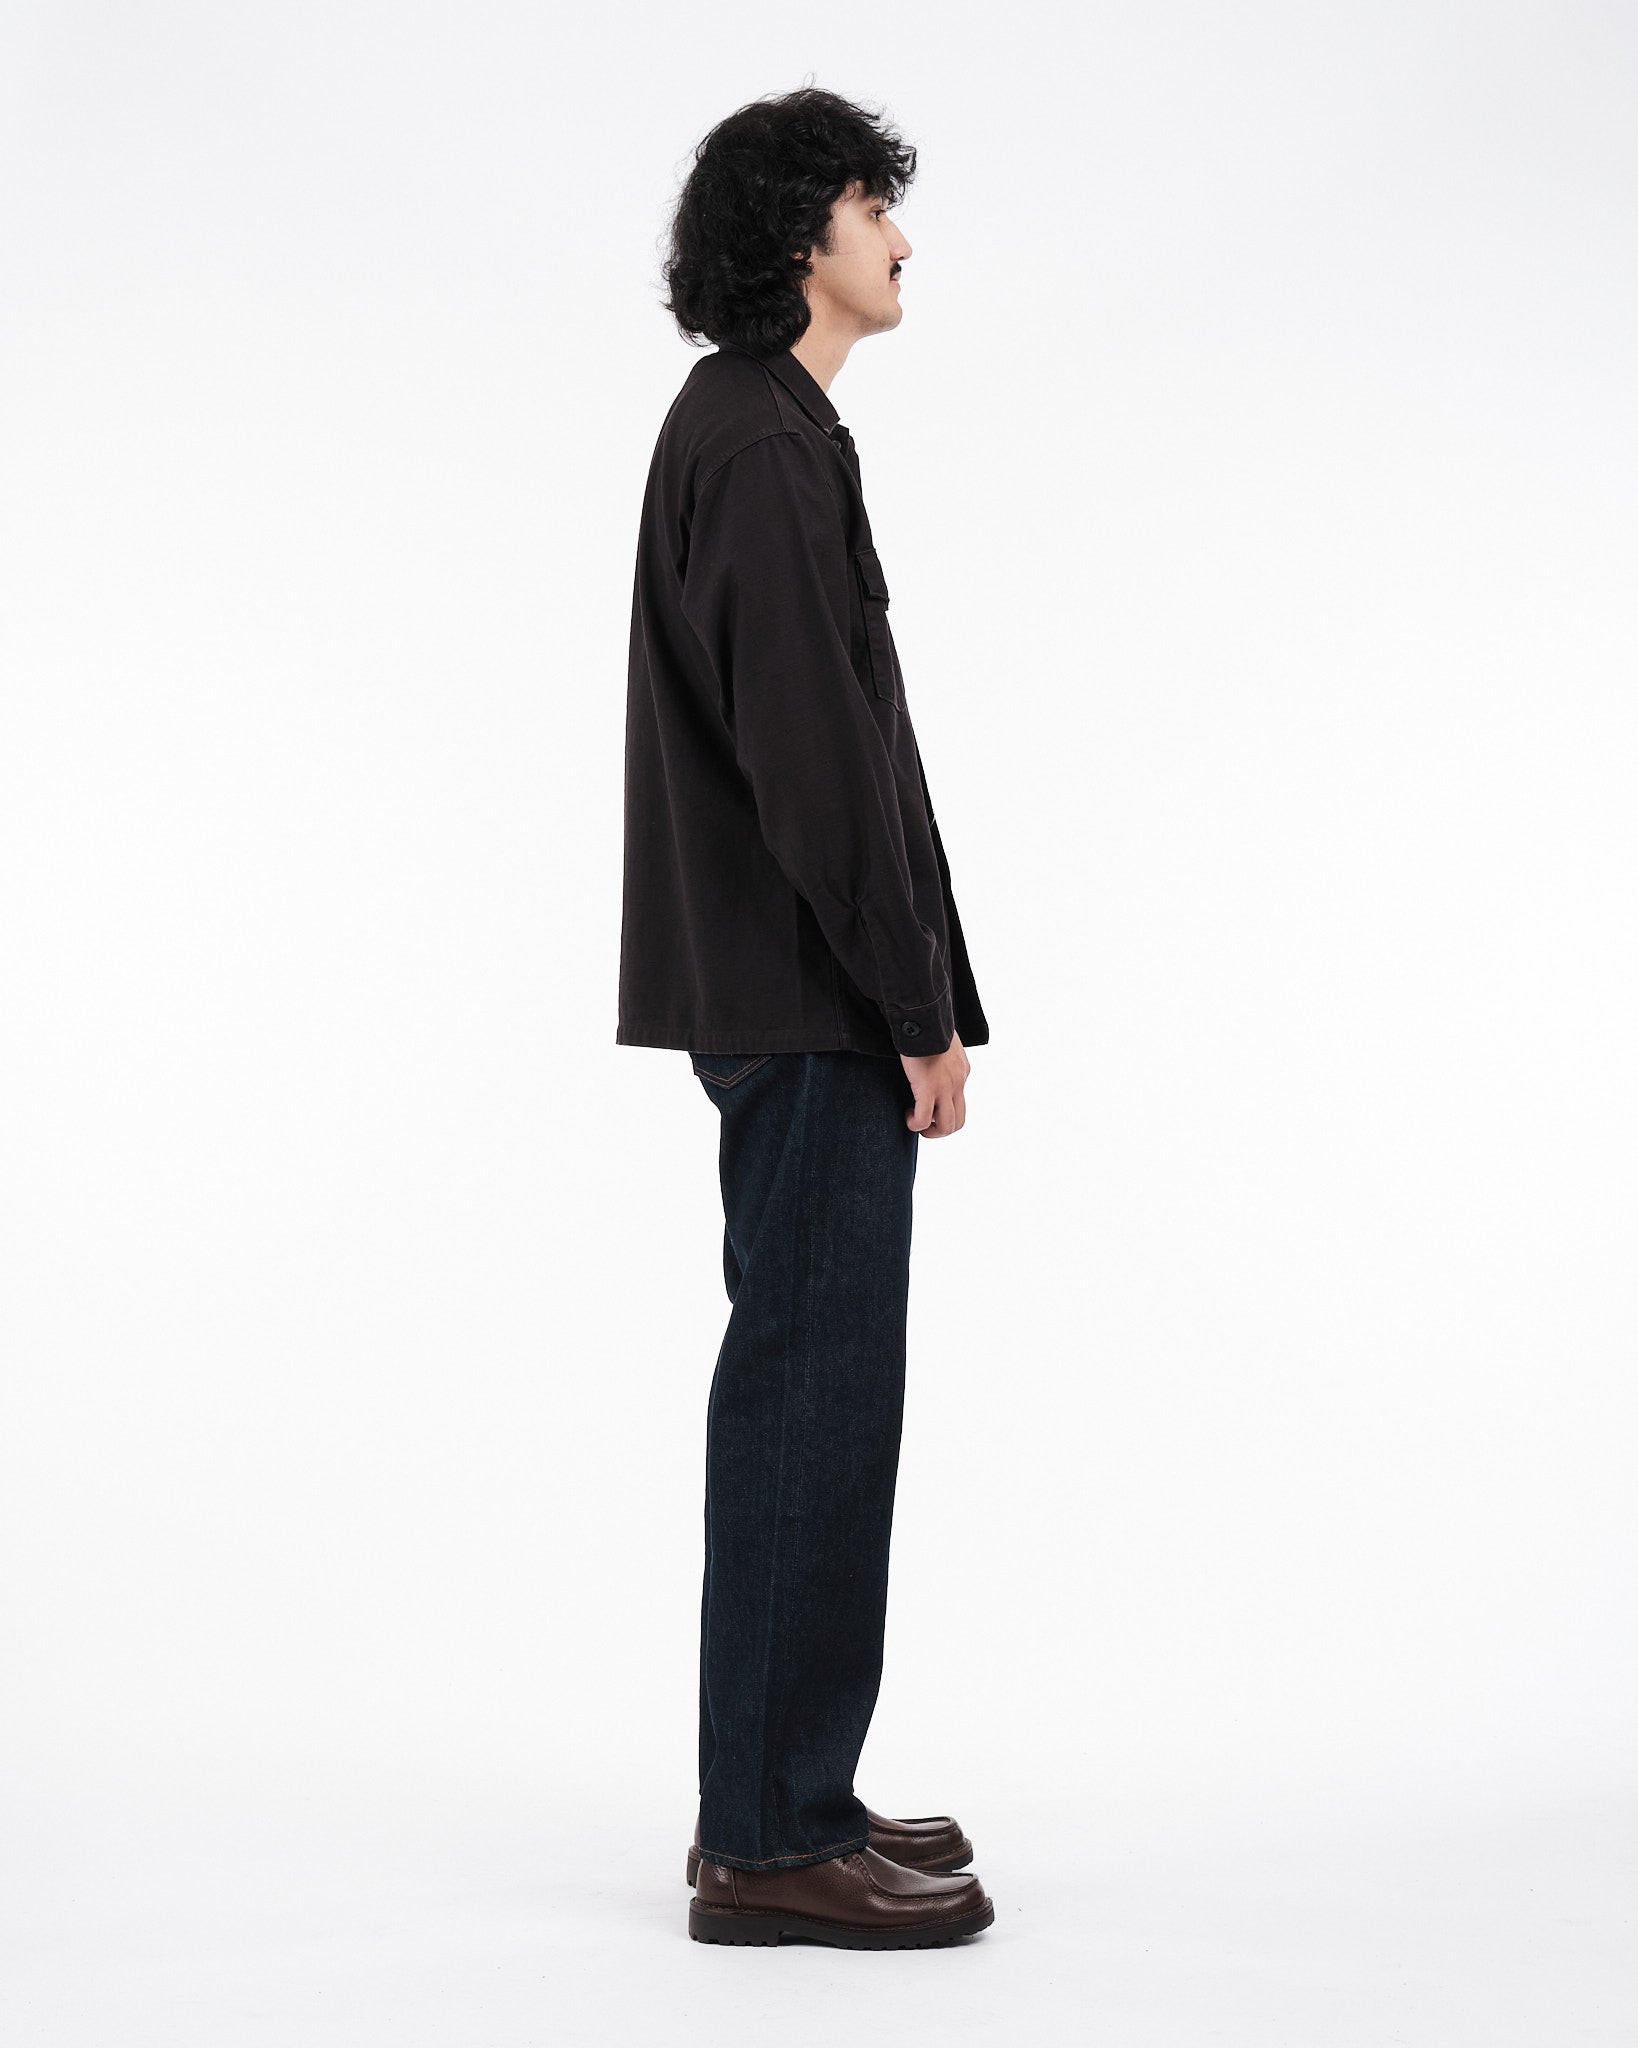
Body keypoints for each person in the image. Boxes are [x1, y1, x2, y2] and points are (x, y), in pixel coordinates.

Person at [615, 86, 994, 1950]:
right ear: (797, 236)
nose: (900, 238)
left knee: (814, 1394)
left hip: (794, 989)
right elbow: (817, 765)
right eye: (868, 204)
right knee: (811, 1402)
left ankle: (790, 1797)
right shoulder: (761, 442)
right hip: (811, 1000)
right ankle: (768, 1840)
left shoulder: (764, 427)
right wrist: (913, 1005)